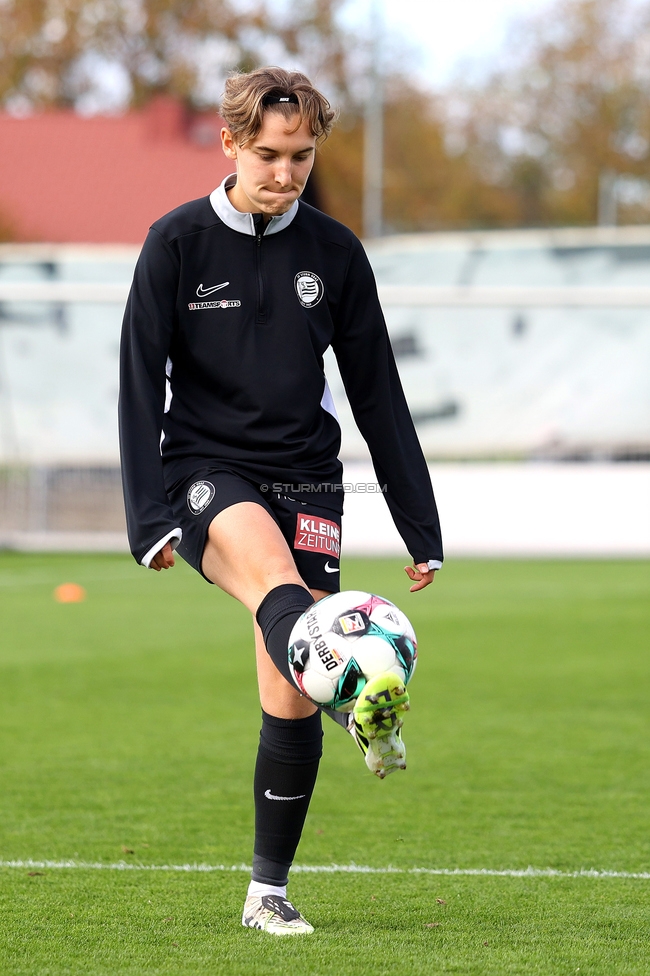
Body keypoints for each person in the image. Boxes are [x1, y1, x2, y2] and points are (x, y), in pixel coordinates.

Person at [119, 65, 443, 936]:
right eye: (268, 153)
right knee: (278, 589)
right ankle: (362, 693)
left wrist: (422, 526)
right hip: (206, 471)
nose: (285, 172)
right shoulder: (175, 242)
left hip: (308, 475)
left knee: (288, 687)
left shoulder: (335, 253)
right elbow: (138, 382)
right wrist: (147, 516)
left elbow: (378, 392)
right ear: (228, 143)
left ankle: (268, 892)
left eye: (301, 156)